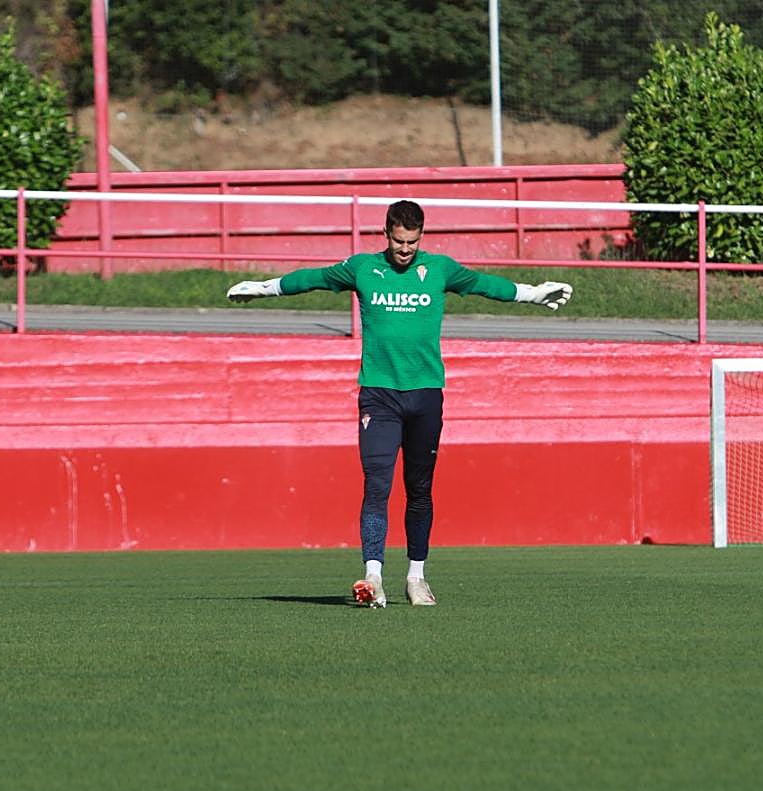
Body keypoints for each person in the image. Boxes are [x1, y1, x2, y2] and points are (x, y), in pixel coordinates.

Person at [227, 200, 572, 608]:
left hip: (426, 394)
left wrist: (533, 294)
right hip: (379, 394)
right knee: (377, 486)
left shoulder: (439, 269)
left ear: (421, 236)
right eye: (398, 241)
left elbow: (484, 285)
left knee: (419, 489)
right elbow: (314, 278)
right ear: (386, 234)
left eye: (412, 242)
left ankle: (416, 577)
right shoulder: (363, 268)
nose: (405, 249)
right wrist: (264, 288)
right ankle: (373, 577)